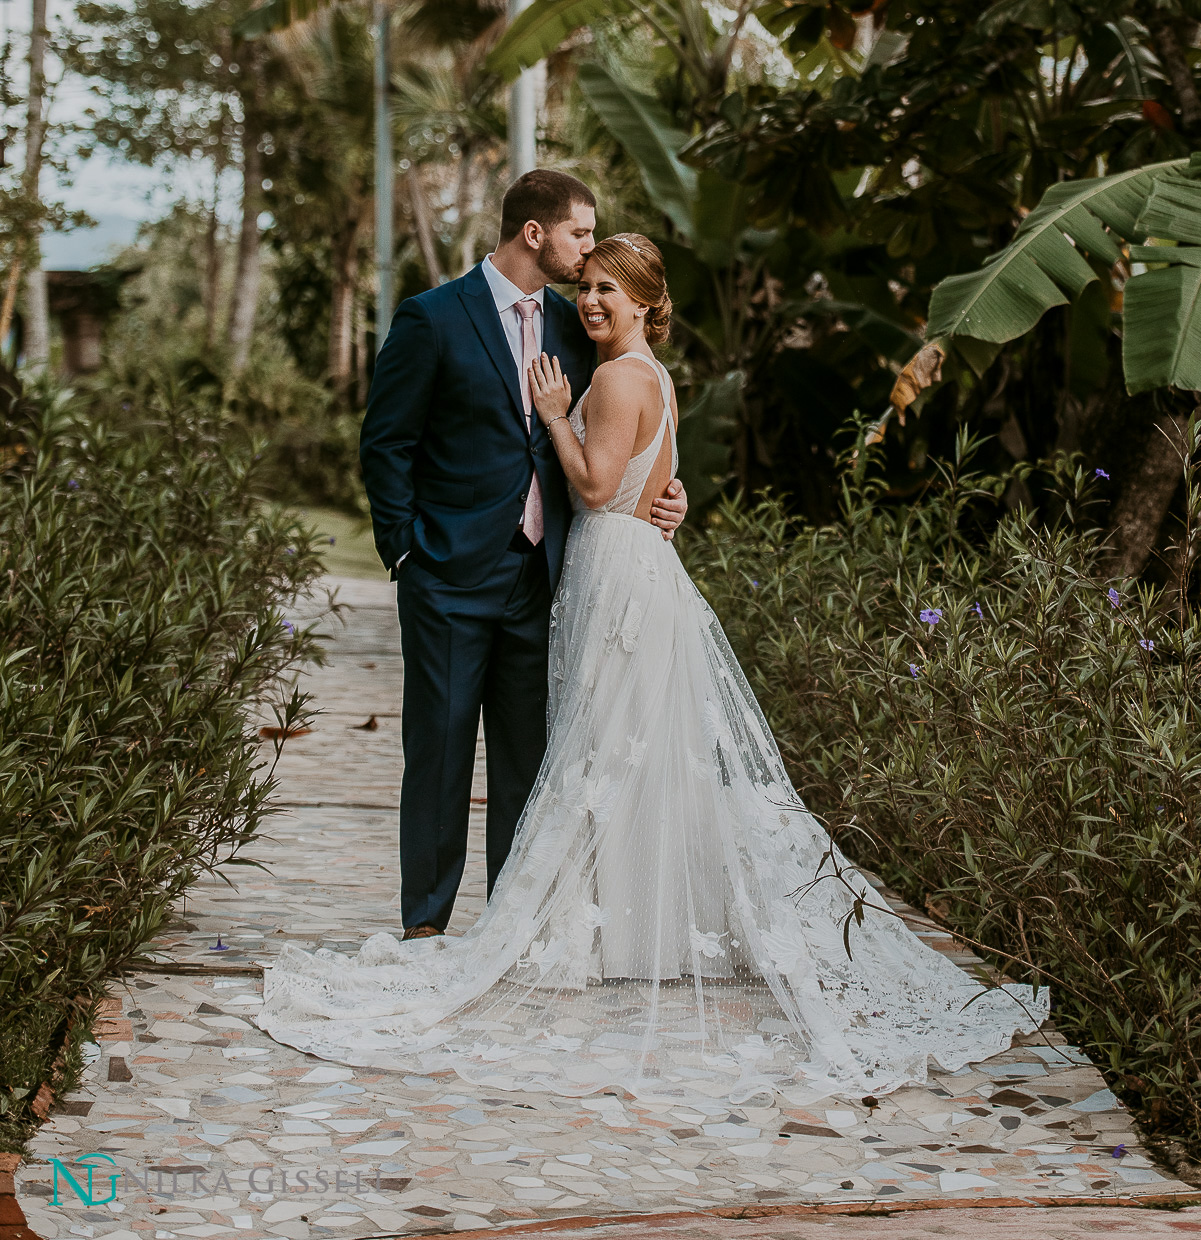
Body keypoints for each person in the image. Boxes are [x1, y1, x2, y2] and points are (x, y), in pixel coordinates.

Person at [260, 233, 1047, 1105]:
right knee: (628, 748)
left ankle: (586, 930)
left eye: (609, 290)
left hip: (614, 566)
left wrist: (555, 416)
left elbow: (595, 489)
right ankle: (633, 931)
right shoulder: (653, 376)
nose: (590, 301)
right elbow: (644, 481)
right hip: (634, 565)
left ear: (643, 302)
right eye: (586, 287)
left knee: (601, 746)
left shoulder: (610, 378)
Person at [358, 170, 687, 941]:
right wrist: (406, 553)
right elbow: (386, 443)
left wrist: (668, 494)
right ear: (534, 233)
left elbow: (628, 422)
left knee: (527, 762)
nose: (587, 252)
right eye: (580, 233)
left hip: (546, 576)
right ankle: (426, 927)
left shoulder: (582, 328)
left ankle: (509, 926)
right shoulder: (432, 318)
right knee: (437, 754)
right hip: (445, 573)